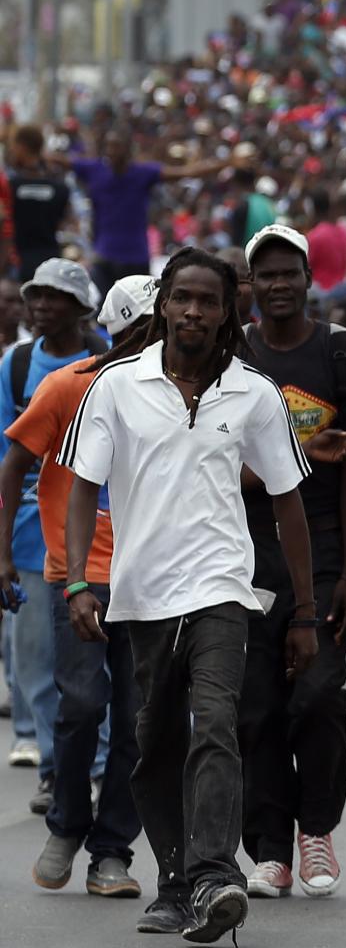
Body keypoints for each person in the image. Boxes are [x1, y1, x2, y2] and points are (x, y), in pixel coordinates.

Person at [59, 246, 316, 944]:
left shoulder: (254, 393)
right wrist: (79, 577)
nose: (195, 311)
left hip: (222, 586)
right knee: (156, 741)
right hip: (142, 593)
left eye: (209, 300)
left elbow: (290, 501)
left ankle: (213, 873)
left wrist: (304, 608)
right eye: (183, 299)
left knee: (216, 720)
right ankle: (174, 882)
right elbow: (85, 486)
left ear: (228, 309)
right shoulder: (115, 386)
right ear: (163, 305)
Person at [236, 224, 346, 900]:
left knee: (320, 693)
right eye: (264, 273)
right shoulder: (231, 352)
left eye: (288, 271)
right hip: (244, 551)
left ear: (307, 277)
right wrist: (297, 454)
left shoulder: (341, 352)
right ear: (251, 284)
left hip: (323, 546)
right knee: (256, 705)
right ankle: (269, 847)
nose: (278, 283)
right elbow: (209, 456)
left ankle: (316, 825)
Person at [6, 276, 151, 899]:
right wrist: (4, 556)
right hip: (80, 579)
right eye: (150, 330)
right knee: (84, 703)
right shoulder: (68, 385)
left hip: (152, 578)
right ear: (123, 331)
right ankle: (66, 824)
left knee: (139, 723)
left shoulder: (183, 394)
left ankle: (112, 850)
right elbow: (15, 463)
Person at [0, 259, 107, 805]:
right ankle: (50, 763)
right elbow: (5, 456)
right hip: (26, 536)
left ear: (82, 307)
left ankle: (100, 763)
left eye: (55, 297)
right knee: (36, 659)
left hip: (101, 538)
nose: (41, 306)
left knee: (97, 660)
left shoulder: (109, 357)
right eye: (35, 296)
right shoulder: (16, 366)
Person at [69, 134, 223, 293]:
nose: (111, 151)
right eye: (108, 146)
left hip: (136, 257)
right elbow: (62, 161)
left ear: (128, 150)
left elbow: (185, 172)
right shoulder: (95, 169)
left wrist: (227, 163)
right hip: (104, 256)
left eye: (116, 146)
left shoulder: (143, 172)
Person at [8, 127, 72, 281]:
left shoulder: (10, 186)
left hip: (17, 262)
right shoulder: (60, 188)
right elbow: (64, 223)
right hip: (50, 262)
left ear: (21, 147)